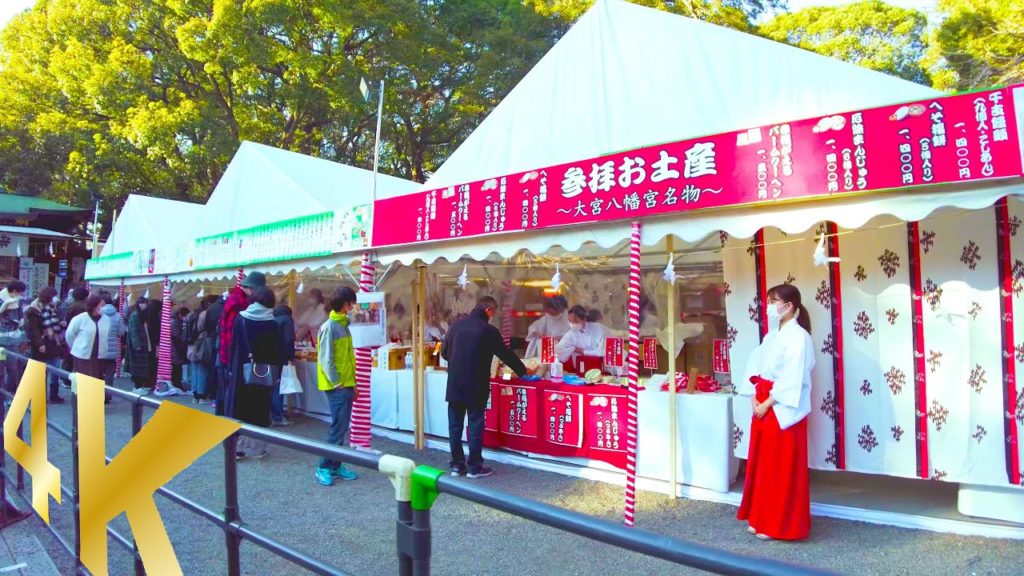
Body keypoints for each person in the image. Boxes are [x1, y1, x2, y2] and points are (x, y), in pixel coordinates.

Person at [736, 283, 814, 542]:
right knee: (762, 466)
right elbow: (756, 363)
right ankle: (760, 517)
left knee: (780, 468)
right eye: (768, 301)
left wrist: (768, 403)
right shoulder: (773, 335)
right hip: (763, 402)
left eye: (774, 301)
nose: (769, 306)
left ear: (789, 306)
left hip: (781, 408)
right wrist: (752, 396)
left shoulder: (799, 337)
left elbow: (794, 377)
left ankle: (779, 524)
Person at [442, 295, 531, 479]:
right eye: (493, 312)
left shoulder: (456, 326)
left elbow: (444, 352)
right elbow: (505, 354)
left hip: (455, 384)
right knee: (475, 425)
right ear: (488, 310)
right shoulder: (488, 330)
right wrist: (522, 371)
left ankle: (457, 466)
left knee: (455, 425)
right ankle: (474, 467)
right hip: (476, 384)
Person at [229, 287, 282, 460]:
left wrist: (231, 368)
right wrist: (277, 373)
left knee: (241, 408)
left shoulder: (241, 319)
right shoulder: (272, 323)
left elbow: (234, 346)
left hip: (241, 371)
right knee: (260, 408)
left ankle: (238, 449)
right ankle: (258, 449)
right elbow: (277, 352)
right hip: (263, 373)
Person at [314, 287, 359, 486]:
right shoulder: (331, 327)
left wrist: (352, 384)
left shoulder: (343, 325)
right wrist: (338, 383)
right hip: (337, 386)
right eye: (351, 303)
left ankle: (335, 465)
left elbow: (347, 359)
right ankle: (324, 466)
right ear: (344, 304)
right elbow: (326, 359)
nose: (353, 307)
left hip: (344, 384)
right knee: (338, 427)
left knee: (341, 427)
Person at [217, 272, 266, 416]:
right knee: (231, 389)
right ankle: (229, 418)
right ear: (252, 288)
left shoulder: (236, 299)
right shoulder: (239, 302)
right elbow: (233, 332)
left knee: (229, 388)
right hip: (233, 351)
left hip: (230, 350)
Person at [24, 287, 64, 403]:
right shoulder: (33, 310)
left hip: (54, 342)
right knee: (41, 371)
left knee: (55, 369)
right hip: (41, 343)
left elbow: (54, 323)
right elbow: (33, 329)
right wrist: (40, 343)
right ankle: (40, 395)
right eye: (51, 297)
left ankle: (54, 395)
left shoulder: (51, 307)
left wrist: (60, 324)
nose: (53, 300)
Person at [65, 295, 106, 383]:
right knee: (82, 382)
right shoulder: (80, 318)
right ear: (94, 306)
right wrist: (77, 346)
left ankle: (95, 397)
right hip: (82, 356)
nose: (103, 308)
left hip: (99, 356)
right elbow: (69, 335)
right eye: (101, 305)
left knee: (96, 381)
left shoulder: (106, 319)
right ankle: (77, 397)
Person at [188, 296, 218, 404]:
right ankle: (202, 396)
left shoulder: (195, 313)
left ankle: (195, 395)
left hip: (195, 343)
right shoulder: (205, 314)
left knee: (195, 370)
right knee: (202, 370)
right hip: (203, 342)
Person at [0, 281, 27, 396]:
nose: (20, 295)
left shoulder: (16, 302)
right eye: (19, 293)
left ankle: (7, 393)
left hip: (13, 341)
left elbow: (21, 321)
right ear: (14, 291)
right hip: (2, 342)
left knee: (13, 369)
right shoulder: (3, 301)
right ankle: (4, 395)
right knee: (3, 370)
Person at [97, 292, 125, 403]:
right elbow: (121, 332)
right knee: (109, 374)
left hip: (100, 348)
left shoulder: (98, 314)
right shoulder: (117, 315)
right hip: (113, 350)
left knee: (99, 372)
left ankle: (98, 394)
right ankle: (107, 396)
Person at [272, 303, 296, 427]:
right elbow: (288, 340)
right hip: (281, 357)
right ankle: (278, 416)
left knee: (273, 386)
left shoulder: (273, 318)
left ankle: (273, 414)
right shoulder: (287, 320)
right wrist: (290, 357)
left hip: (271, 357)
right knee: (278, 388)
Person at [125, 296, 154, 393]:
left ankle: (141, 386)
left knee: (143, 366)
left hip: (146, 344)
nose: (143, 305)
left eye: (144, 303)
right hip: (138, 346)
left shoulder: (145, 315)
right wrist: (136, 344)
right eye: (141, 303)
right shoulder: (134, 315)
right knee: (137, 367)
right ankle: (137, 386)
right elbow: (133, 331)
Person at [171, 306, 191, 390]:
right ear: (180, 315)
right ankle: (176, 384)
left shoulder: (176, 321)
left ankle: (177, 383)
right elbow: (176, 336)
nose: (186, 318)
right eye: (185, 316)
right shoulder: (175, 322)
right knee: (177, 367)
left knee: (177, 367)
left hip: (176, 347)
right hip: (176, 347)